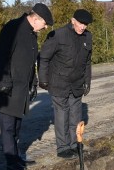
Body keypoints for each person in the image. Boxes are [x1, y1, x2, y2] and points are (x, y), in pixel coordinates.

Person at [0, 3, 53, 170]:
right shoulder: (13, 28)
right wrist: (5, 82)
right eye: (44, 24)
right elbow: (3, 56)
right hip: (7, 86)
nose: (45, 27)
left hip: (21, 86)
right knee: (8, 125)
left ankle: (16, 156)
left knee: (16, 124)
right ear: (36, 18)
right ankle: (11, 160)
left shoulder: (31, 33)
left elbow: (30, 62)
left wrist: (33, 83)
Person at [38, 8, 93, 158]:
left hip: (77, 83)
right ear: (72, 20)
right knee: (62, 115)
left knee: (75, 114)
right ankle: (63, 148)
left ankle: (75, 145)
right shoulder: (58, 35)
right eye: (81, 23)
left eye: (86, 25)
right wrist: (43, 79)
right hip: (59, 83)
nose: (83, 27)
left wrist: (87, 81)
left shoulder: (87, 37)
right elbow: (44, 58)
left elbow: (87, 62)